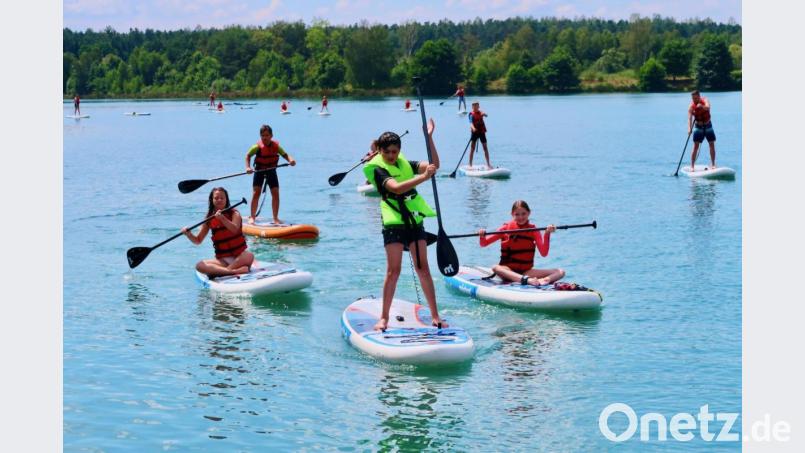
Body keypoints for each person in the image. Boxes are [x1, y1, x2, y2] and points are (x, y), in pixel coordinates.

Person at [362, 119, 448, 331]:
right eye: (387, 152)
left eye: (395, 151)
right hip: (393, 224)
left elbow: (433, 166)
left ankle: (435, 315)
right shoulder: (378, 170)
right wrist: (424, 177)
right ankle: (383, 318)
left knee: (423, 269)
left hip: (414, 221)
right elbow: (397, 188)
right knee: (394, 271)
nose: (391, 156)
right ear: (380, 151)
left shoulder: (405, 164)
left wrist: (429, 138)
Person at [479, 200, 565, 286]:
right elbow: (484, 243)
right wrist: (482, 236)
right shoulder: (505, 229)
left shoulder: (533, 230)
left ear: (529, 213)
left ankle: (544, 280)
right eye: (517, 214)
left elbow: (544, 253)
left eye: (523, 214)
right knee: (495, 267)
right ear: (512, 214)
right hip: (508, 272)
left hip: (526, 272)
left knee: (561, 272)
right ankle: (526, 280)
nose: (520, 217)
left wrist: (547, 233)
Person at [182, 187, 255, 278]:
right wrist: (189, 234)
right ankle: (233, 271)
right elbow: (198, 240)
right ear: (212, 200)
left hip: (240, 257)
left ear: (226, 199)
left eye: (222, 198)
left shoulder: (234, 213)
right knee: (199, 265)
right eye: (216, 198)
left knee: (249, 256)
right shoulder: (209, 218)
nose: (219, 200)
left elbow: (234, 229)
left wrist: (222, 218)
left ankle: (222, 271)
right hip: (223, 260)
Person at [244, 124, 296, 225]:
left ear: (271, 136)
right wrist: (248, 167)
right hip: (259, 171)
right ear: (260, 136)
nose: (265, 137)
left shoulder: (276, 146)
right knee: (256, 193)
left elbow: (285, 155)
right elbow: (247, 156)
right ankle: (252, 217)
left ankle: (275, 218)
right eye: (263, 135)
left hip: (271, 171)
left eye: (267, 135)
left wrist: (291, 160)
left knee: (275, 193)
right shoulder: (256, 147)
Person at [688, 90, 717, 170]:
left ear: (699, 97)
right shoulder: (691, 106)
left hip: (708, 125)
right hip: (698, 127)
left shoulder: (705, 100)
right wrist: (689, 128)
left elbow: (708, 107)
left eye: (696, 98)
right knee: (695, 146)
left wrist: (702, 106)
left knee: (711, 144)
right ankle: (692, 166)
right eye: (693, 98)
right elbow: (689, 118)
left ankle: (713, 164)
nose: (694, 100)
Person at [468, 101, 492, 169]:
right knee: (472, 148)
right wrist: (473, 128)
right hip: (475, 132)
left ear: (478, 106)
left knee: (485, 148)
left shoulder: (481, 112)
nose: (476, 107)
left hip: (481, 132)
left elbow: (485, 114)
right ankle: (470, 165)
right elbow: (471, 123)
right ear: (472, 107)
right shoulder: (471, 114)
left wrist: (484, 114)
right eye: (474, 106)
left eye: (477, 106)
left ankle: (488, 164)